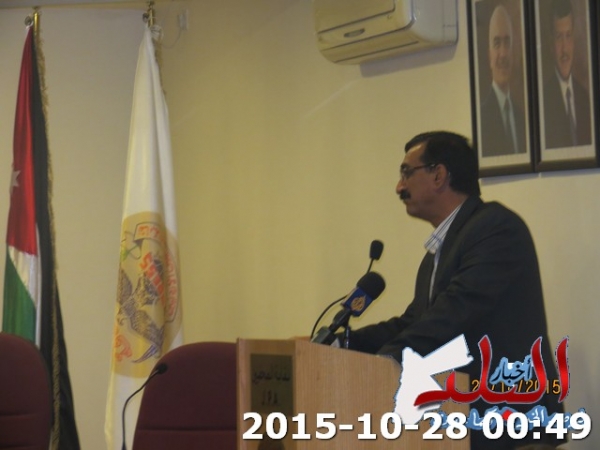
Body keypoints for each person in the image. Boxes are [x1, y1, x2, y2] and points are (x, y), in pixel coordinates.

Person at [345, 131, 564, 450]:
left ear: (439, 175)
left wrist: (382, 362)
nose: (399, 187)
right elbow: (416, 321)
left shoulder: (495, 229)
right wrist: (345, 344)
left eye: (406, 173)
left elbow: (452, 315)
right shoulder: (441, 249)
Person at [542, 0, 591, 148]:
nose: (564, 49)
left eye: (568, 35)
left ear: (574, 40)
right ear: (551, 44)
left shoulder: (585, 98)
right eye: (559, 37)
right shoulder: (543, 101)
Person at [480, 4, 527, 157]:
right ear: (489, 56)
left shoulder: (522, 119)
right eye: (497, 43)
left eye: (507, 43)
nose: (503, 53)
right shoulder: (482, 119)